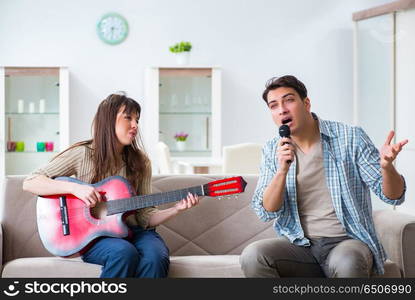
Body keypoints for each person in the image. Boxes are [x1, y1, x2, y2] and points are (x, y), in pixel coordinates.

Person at [240, 75, 408, 277]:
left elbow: (393, 195)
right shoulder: (272, 150)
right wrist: (282, 171)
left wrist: (387, 167)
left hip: (346, 242)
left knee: (348, 261)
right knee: (254, 255)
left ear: (306, 103)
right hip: (300, 245)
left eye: (289, 100)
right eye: (274, 105)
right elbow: (266, 211)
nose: (282, 109)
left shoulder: (349, 137)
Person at [23, 94, 200, 278]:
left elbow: (145, 217)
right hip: (96, 237)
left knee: (156, 257)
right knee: (123, 252)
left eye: (137, 120)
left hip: (135, 231)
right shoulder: (82, 154)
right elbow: (31, 182)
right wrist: (76, 189)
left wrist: (176, 209)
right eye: (128, 118)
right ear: (109, 120)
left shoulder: (142, 162)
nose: (135, 126)